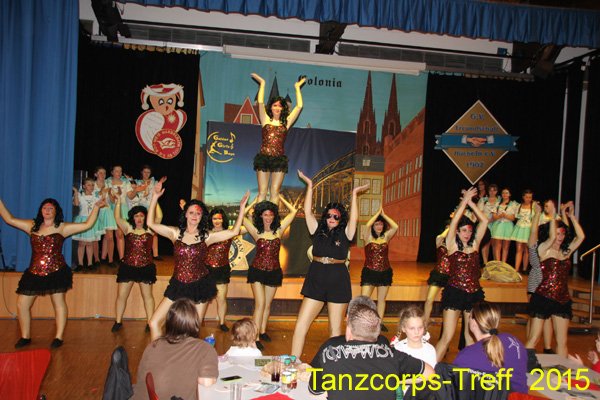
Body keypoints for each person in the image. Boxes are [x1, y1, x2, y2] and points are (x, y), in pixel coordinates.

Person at [146, 178, 249, 340]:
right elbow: (150, 223)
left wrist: (241, 208)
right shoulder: (175, 233)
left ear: (202, 217)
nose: (195, 216)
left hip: (200, 285)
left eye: (198, 213)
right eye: (192, 212)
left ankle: (189, 356)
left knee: (193, 331)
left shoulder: (207, 236)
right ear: (185, 214)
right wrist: (154, 197)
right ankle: (158, 353)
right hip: (178, 285)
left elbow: (234, 232)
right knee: (154, 323)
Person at [0, 196, 104, 348]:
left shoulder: (62, 227)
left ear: (56, 212)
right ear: (40, 211)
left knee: (58, 303)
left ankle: (58, 337)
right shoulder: (32, 225)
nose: (47, 211)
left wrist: (96, 207)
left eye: (50, 208)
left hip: (56, 271)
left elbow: (87, 224)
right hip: (34, 271)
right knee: (22, 304)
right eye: (44, 208)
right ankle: (25, 336)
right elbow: (9, 219)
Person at [291, 170, 369, 358]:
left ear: (341, 219)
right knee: (301, 324)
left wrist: (354, 195)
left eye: (336, 216)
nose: (332, 219)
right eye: (329, 216)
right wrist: (310, 186)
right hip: (316, 278)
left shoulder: (346, 233)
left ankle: (334, 366)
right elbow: (307, 211)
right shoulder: (316, 230)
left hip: (338, 281)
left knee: (335, 330)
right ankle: (292, 362)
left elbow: (354, 219)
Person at [308, 303, 434, 400]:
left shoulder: (329, 355)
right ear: (377, 332)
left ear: (349, 330)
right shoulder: (392, 355)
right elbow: (430, 373)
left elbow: (315, 391)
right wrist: (395, 380)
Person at [435, 187, 488, 361]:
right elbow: (455, 221)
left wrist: (471, 203)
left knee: (470, 337)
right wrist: (464, 202)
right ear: (457, 231)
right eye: (464, 230)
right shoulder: (452, 245)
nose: (467, 234)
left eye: (470, 231)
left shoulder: (475, 245)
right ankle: (428, 372)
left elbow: (484, 221)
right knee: (447, 337)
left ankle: (469, 371)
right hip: (455, 293)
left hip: (473, 294)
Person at [526, 201, 585, 357]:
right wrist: (552, 215)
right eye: (558, 233)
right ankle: (523, 367)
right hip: (543, 296)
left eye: (562, 234)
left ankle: (562, 368)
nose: (560, 237)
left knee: (562, 341)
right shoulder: (543, 249)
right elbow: (551, 237)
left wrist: (571, 216)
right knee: (533, 338)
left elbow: (581, 237)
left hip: (562, 298)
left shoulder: (565, 252)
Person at [132, 298, 218, 400]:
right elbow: (207, 382)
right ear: (195, 323)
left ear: (169, 322)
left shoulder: (153, 345)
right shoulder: (204, 348)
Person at [243, 196, 297, 349]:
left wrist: (281, 198)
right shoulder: (256, 231)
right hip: (257, 271)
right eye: (265, 214)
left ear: (274, 216)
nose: (268, 217)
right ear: (260, 216)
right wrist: (252, 203)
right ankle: (254, 337)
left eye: (271, 214)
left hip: (274, 272)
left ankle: (263, 330)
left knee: (267, 305)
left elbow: (293, 212)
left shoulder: (279, 230)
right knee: (260, 304)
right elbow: (242, 217)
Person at [250, 73, 306, 205]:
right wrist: (262, 83)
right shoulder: (265, 119)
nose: (277, 108)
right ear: (271, 107)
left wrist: (297, 88)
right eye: (275, 105)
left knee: (275, 191)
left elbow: (299, 106)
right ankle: (260, 216)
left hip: (279, 159)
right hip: (264, 158)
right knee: (262, 191)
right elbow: (260, 102)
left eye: (280, 106)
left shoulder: (286, 122)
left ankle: (272, 216)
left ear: (283, 108)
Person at [453, 301, 528, 394]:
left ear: (474, 323)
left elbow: (456, 389)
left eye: (469, 317)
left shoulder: (465, 356)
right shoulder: (513, 340)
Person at [111, 198, 155, 333]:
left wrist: (155, 199)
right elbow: (117, 217)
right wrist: (118, 202)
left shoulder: (150, 229)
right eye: (136, 216)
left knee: (147, 296)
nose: (139, 218)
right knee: (121, 296)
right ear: (132, 218)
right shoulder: (128, 228)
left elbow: (159, 216)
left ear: (145, 217)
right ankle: (118, 321)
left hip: (146, 267)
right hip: (128, 267)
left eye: (142, 216)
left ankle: (150, 322)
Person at [360, 206, 398, 332]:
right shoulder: (368, 237)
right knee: (364, 300)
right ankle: (363, 322)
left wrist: (384, 215)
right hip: (370, 271)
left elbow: (395, 226)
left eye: (381, 224)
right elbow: (366, 225)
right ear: (373, 226)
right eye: (377, 224)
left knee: (381, 300)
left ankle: (379, 323)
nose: (379, 226)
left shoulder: (386, 237)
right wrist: (376, 214)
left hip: (385, 272)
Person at [206, 208, 242, 332]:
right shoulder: (206, 233)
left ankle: (222, 322)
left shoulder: (229, 232)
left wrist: (245, 211)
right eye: (214, 218)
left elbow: (246, 228)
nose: (217, 221)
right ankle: (198, 321)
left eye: (219, 218)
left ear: (223, 219)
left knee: (221, 298)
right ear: (211, 220)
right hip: (207, 269)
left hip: (222, 270)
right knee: (203, 298)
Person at [423, 225, 450, 327]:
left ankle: (447, 324)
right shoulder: (440, 242)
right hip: (438, 274)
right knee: (429, 299)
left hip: (451, 276)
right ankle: (425, 322)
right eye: (447, 228)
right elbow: (440, 237)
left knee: (449, 302)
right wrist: (449, 228)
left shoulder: (456, 244)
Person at [72, 177, 101, 271]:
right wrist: (76, 192)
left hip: (92, 220)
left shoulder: (96, 197)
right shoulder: (81, 196)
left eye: (92, 185)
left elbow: (101, 205)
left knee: (89, 243)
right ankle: (80, 263)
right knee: (81, 243)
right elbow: (76, 204)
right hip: (82, 220)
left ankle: (90, 263)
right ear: (84, 186)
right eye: (88, 185)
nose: (91, 187)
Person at [135, 164, 163, 259]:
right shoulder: (137, 183)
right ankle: (142, 252)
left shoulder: (154, 182)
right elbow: (136, 195)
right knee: (142, 231)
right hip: (141, 208)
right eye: (145, 172)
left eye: (148, 172)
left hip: (152, 207)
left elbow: (157, 192)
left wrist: (160, 182)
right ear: (141, 172)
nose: (146, 174)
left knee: (154, 230)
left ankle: (155, 254)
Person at [106, 165, 131, 263]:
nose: (119, 173)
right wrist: (113, 194)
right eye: (116, 171)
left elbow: (130, 196)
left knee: (120, 234)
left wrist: (135, 190)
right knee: (109, 236)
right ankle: (110, 260)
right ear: (112, 172)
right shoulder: (107, 182)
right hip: (110, 209)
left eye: (120, 171)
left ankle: (121, 258)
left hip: (122, 208)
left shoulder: (125, 182)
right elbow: (111, 200)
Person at [490, 187, 517, 263]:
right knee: (497, 246)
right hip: (498, 225)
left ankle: (503, 264)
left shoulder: (513, 204)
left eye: (506, 193)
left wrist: (505, 216)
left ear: (510, 194)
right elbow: (494, 217)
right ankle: (498, 264)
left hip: (508, 226)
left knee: (506, 247)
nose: (504, 194)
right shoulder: (497, 203)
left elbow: (513, 218)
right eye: (503, 193)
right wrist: (500, 216)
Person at [511, 189, 534, 272]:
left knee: (527, 249)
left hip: (528, 228)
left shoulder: (533, 207)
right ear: (523, 197)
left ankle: (524, 268)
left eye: (530, 197)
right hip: (520, 228)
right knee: (519, 249)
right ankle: (516, 269)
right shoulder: (519, 206)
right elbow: (516, 216)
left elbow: (535, 218)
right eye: (527, 197)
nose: (528, 199)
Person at [477, 183, 499, 265]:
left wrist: (493, 219)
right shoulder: (483, 200)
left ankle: (496, 263)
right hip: (485, 224)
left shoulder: (499, 200)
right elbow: (479, 212)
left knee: (495, 245)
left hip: (496, 224)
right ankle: (485, 263)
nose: (492, 192)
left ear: (497, 191)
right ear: (488, 191)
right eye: (490, 190)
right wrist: (486, 221)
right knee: (485, 243)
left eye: (494, 190)